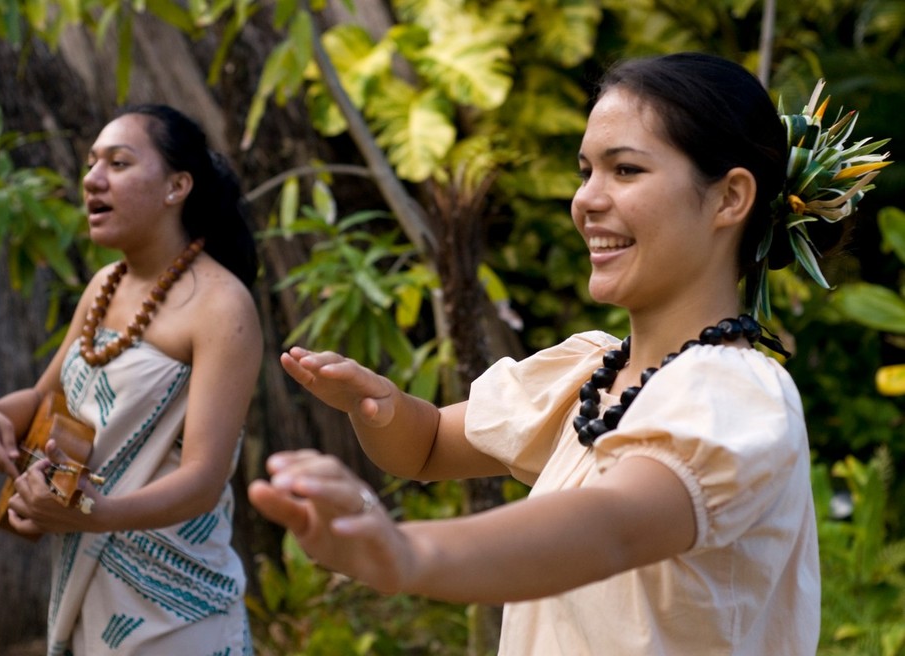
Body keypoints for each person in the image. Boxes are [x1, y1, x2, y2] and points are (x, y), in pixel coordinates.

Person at [245, 52, 854, 655]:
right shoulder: (592, 373)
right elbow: (426, 445)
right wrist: (377, 403)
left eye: (625, 170)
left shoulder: (736, 396)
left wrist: (406, 554)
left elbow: (609, 530)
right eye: (585, 170)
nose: (586, 199)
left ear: (729, 199)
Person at [0, 104, 261, 655]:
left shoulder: (222, 307)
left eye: (119, 163)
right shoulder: (105, 284)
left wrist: (96, 515)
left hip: (178, 609)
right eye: (91, 163)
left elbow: (203, 478)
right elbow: (44, 398)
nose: (92, 179)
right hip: (90, 595)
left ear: (177, 186)